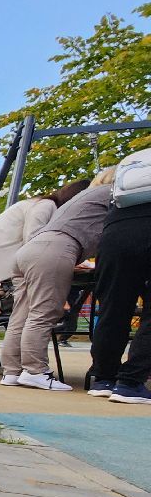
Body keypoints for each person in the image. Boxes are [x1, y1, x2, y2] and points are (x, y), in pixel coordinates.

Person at [2, 168, 116, 391]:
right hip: (57, 249)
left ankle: (12, 371)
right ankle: (35, 371)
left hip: (29, 251)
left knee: (21, 315)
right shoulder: (111, 195)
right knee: (44, 313)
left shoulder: (82, 198)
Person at [90, 149, 151, 403]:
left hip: (115, 233)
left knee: (112, 307)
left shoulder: (135, 160)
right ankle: (131, 382)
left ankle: (103, 378)